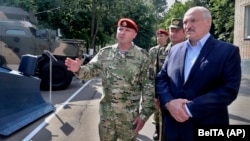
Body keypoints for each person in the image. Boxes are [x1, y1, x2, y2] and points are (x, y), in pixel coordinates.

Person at [155, 6, 241, 141]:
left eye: (193, 21)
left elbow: (228, 90)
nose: (188, 26)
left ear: (208, 22)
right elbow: (162, 78)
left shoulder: (228, 51)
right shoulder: (174, 50)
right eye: (185, 22)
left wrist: (188, 108)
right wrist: (169, 103)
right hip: (173, 130)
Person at [65, 18, 155, 141]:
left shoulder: (142, 57)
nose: (122, 32)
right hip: (106, 117)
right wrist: (78, 69)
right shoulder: (105, 53)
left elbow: (148, 88)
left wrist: (144, 116)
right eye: (120, 29)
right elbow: (89, 72)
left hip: (129, 119)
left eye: (127, 30)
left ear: (134, 35)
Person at [149, 28, 169, 141]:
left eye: (162, 36)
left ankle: (166, 130)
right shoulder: (152, 51)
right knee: (156, 108)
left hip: (166, 83)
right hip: (154, 83)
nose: (159, 38)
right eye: (158, 36)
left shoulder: (170, 49)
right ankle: (157, 129)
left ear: (167, 37)